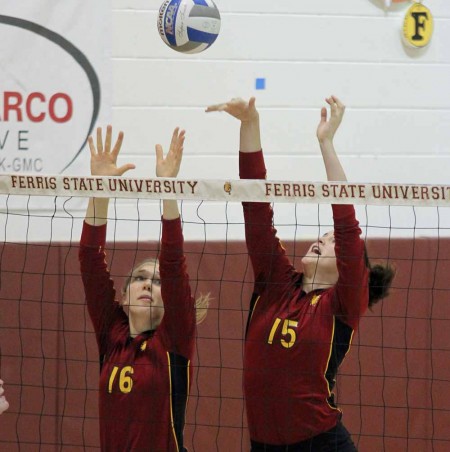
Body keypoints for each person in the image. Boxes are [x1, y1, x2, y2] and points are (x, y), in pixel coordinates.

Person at [206, 96, 395, 451]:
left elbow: (347, 226)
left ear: (348, 268)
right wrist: (250, 125)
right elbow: (256, 208)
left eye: (330, 240)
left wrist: (326, 142)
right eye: (323, 236)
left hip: (321, 444)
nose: (321, 240)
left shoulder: (342, 303)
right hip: (265, 445)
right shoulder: (276, 283)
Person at [79, 125, 209, 451]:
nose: (148, 284)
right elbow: (90, 261)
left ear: (170, 302)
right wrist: (101, 190)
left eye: (157, 281)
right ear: (123, 297)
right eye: (139, 278)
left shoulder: (174, 339)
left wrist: (168, 189)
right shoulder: (112, 335)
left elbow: (174, 264)